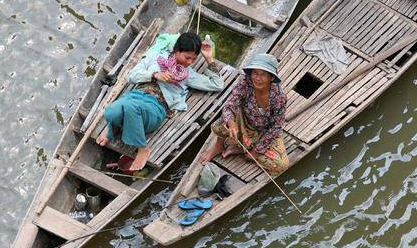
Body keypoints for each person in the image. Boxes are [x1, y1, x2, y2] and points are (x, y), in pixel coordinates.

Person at [97, 32, 224, 171]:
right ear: (176, 50)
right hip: (135, 96)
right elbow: (131, 75)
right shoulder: (156, 57)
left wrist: (210, 58)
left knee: (130, 108)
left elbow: (217, 84)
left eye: (193, 59)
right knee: (110, 111)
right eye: (187, 57)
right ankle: (115, 125)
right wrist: (154, 75)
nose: (190, 62)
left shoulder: (187, 74)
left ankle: (142, 148)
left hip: (155, 108)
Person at [200, 53, 289, 175]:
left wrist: (257, 152)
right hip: (244, 123)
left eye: (263, 75)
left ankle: (242, 148)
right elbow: (229, 106)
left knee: (280, 166)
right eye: (255, 73)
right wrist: (231, 124)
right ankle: (219, 145)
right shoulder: (246, 83)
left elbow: (276, 127)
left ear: (271, 78)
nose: (257, 78)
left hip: (263, 132)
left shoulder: (279, 97)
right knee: (223, 121)